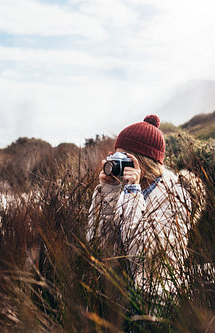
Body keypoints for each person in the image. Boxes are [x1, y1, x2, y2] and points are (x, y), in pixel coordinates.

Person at [86, 115, 203, 306]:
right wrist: (108, 191)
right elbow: (97, 243)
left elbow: (138, 251)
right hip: (119, 297)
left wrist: (132, 192)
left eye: (124, 158)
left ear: (142, 161)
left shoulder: (174, 197)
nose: (118, 163)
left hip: (156, 301)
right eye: (116, 156)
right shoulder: (123, 188)